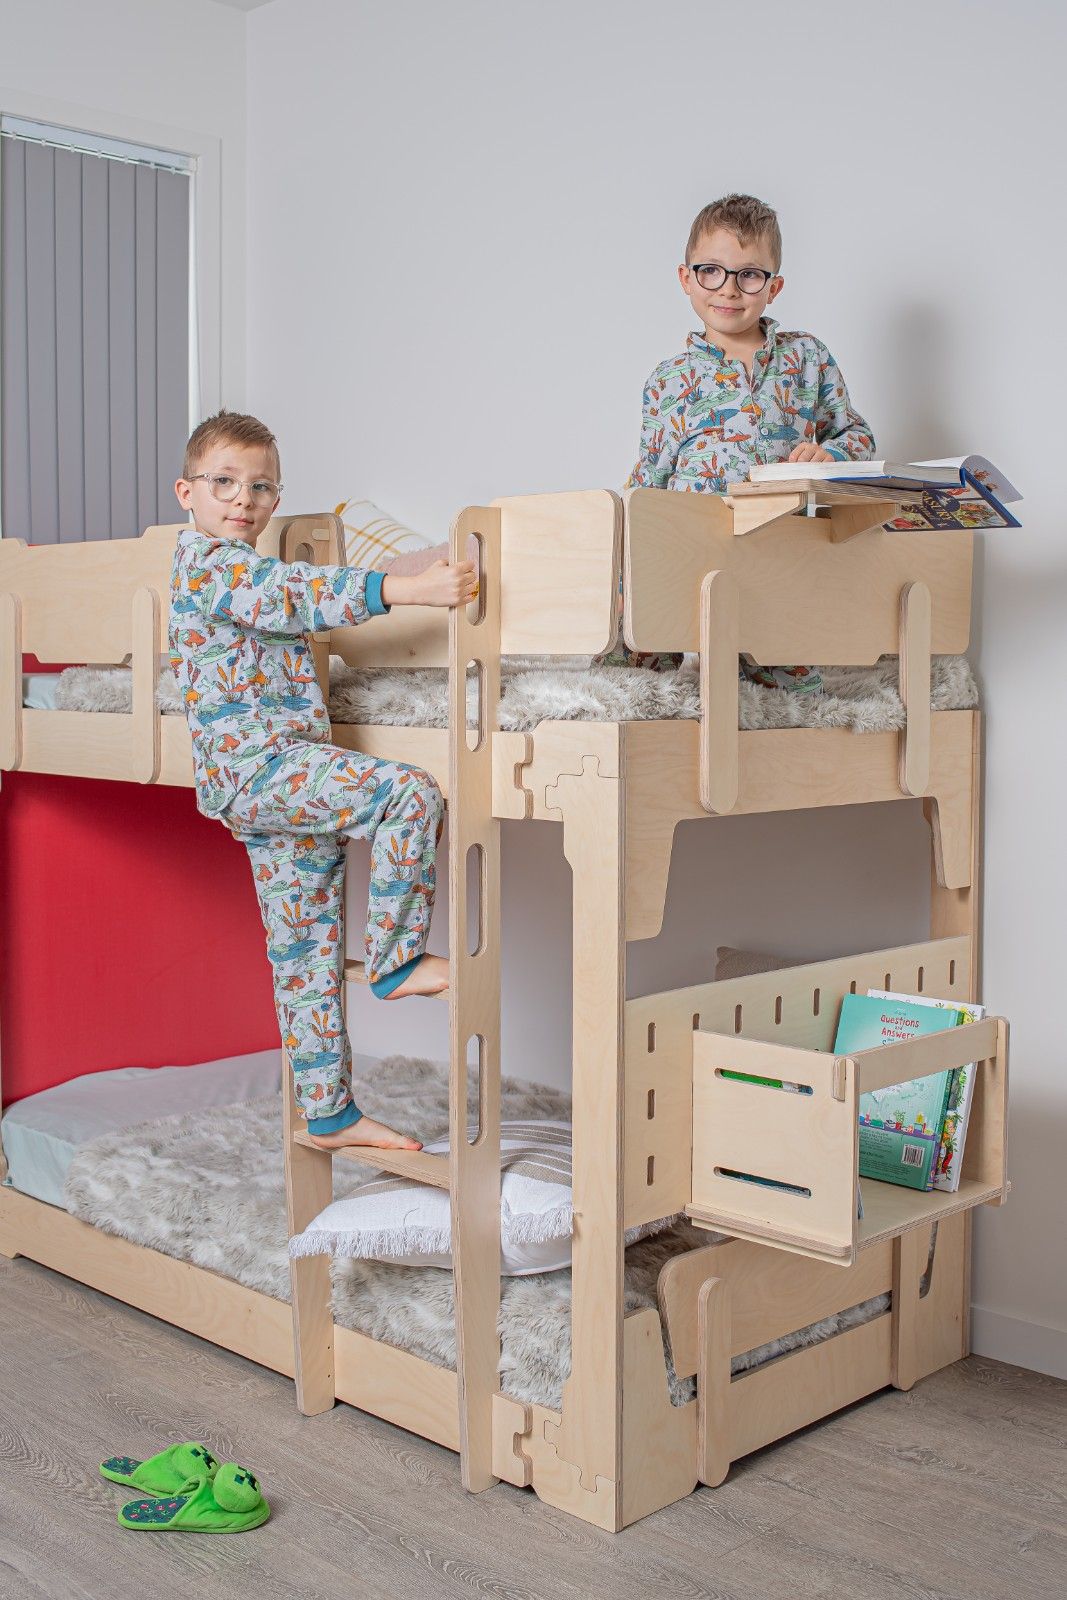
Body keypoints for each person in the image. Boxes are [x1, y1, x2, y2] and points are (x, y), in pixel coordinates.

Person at [169, 410, 476, 1152]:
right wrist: (407, 589)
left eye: (261, 486)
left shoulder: (249, 563)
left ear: (277, 498)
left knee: (303, 951)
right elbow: (291, 593)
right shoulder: (208, 563)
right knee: (406, 793)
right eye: (224, 482)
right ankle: (397, 956)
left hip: (272, 779)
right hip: (262, 767)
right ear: (188, 492)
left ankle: (329, 1111)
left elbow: (288, 591)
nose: (243, 499)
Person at [627, 192, 877, 689]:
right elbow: (648, 478)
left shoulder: (807, 358)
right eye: (711, 271)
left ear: (773, 287)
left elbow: (858, 436)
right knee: (632, 654)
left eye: (749, 275)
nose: (729, 290)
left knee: (796, 689)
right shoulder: (669, 379)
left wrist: (828, 453)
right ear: (686, 278)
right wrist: (623, 579)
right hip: (686, 546)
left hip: (774, 550)